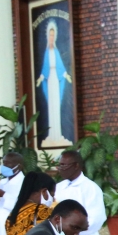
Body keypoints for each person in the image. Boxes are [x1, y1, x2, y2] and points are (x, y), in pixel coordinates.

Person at [35, 20, 73, 148]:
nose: (51, 38)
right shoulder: (47, 52)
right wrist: (41, 78)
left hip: (56, 80)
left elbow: (61, 66)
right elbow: (45, 68)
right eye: (49, 36)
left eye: (53, 36)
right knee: (51, 106)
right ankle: (52, 134)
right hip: (49, 79)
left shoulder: (56, 51)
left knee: (56, 105)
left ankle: (58, 134)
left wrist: (66, 75)